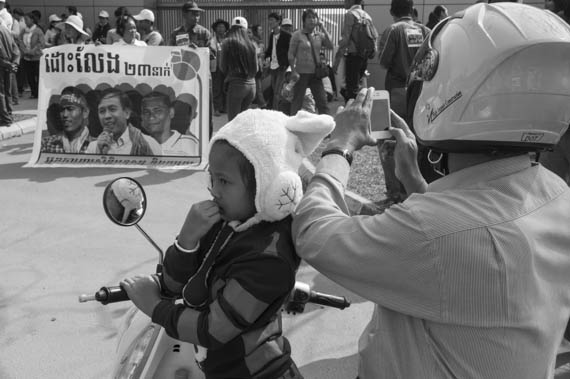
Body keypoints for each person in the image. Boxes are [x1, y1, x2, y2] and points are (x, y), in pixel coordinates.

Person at [292, 3, 570, 378]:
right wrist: (415, 185)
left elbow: (313, 233)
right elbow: (462, 241)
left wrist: (340, 145)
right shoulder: (556, 193)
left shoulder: (432, 232)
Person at [121, 108, 335, 379]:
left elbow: (213, 329)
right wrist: (187, 241)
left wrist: (155, 308)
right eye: (213, 177)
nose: (214, 190)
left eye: (224, 181)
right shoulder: (225, 221)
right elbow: (174, 285)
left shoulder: (269, 258)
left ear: (267, 186)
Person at [378, 0, 430, 118]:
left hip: (397, 87)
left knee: (399, 126)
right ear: (411, 10)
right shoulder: (426, 31)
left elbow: (384, 62)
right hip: (421, 89)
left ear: (391, 11)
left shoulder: (393, 30)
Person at [86, 88, 162, 156]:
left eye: (112, 109)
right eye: (102, 111)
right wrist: (99, 152)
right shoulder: (93, 148)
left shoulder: (150, 144)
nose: (107, 116)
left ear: (127, 113)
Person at [288, 9, 333, 116]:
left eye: (314, 17)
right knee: (297, 102)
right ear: (304, 20)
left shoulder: (319, 35)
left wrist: (323, 27)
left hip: (316, 74)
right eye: (309, 17)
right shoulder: (297, 35)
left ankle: (327, 130)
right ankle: (293, 127)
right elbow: (291, 54)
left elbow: (330, 45)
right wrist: (293, 71)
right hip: (301, 73)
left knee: (322, 103)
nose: (312, 20)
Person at [333, 0, 376, 102]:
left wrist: (337, 61)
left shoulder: (350, 14)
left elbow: (345, 39)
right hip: (363, 57)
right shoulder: (367, 16)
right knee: (356, 87)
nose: (344, 2)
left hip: (353, 56)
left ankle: (351, 114)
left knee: (351, 91)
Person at [219, 17, 258, 122]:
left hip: (236, 85)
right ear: (245, 29)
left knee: (233, 123)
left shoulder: (227, 43)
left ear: (232, 28)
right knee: (243, 122)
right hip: (251, 86)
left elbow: (222, 67)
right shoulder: (252, 45)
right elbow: (256, 69)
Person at [140, 91, 199, 156]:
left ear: (171, 112)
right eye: (146, 112)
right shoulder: (138, 144)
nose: (151, 117)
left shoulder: (189, 144)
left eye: (158, 111)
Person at [41, 87, 95, 153]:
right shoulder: (46, 144)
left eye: (70, 109)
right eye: (62, 110)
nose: (65, 114)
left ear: (85, 112)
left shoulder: (97, 144)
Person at [265, 12, 291, 111]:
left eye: (272, 20)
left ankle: (276, 112)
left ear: (278, 21)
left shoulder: (286, 35)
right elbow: (270, 49)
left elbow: (290, 51)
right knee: (274, 90)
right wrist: (265, 55)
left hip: (281, 66)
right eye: (269, 20)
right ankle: (278, 110)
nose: (270, 22)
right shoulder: (272, 35)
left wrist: (287, 64)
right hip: (273, 66)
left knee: (277, 92)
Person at [18, 12, 44, 99]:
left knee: (38, 76)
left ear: (32, 20)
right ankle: (33, 93)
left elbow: (41, 43)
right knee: (30, 77)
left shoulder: (38, 30)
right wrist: (24, 50)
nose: (25, 21)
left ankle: (39, 93)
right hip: (26, 58)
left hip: (36, 58)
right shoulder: (24, 31)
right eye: (24, 19)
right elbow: (20, 41)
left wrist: (32, 51)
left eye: (27, 19)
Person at [0, 22, 18, 127]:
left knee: (2, 93)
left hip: (3, 65)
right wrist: (14, 63)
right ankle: (9, 115)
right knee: (7, 92)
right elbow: (15, 48)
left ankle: (5, 118)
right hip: (9, 64)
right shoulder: (6, 30)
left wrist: (7, 64)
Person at [210, 18, 229, 117]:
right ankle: (217, 108)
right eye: (218, 27)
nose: (221, 29)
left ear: (226, 29)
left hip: (226, 68)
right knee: (216, 88)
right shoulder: (212, 41)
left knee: (226, 87)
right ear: (215, 29)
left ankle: (225, 107)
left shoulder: (228, 40)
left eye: (222, 27)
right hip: (216, 68)